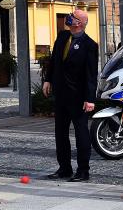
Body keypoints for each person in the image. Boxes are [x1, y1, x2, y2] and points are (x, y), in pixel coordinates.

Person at [42, 9, 98, 183]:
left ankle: (83, 170)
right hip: (61, 94)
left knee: (81, 133)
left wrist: (90, 99)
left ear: (79, 23)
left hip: (78, 97)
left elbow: (91, 74)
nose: (69, 17)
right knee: (61, 132)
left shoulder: (90, 45)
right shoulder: (62, 37)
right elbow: (54, 60)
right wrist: (48, 79)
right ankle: (64, 168)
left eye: (73, 16)